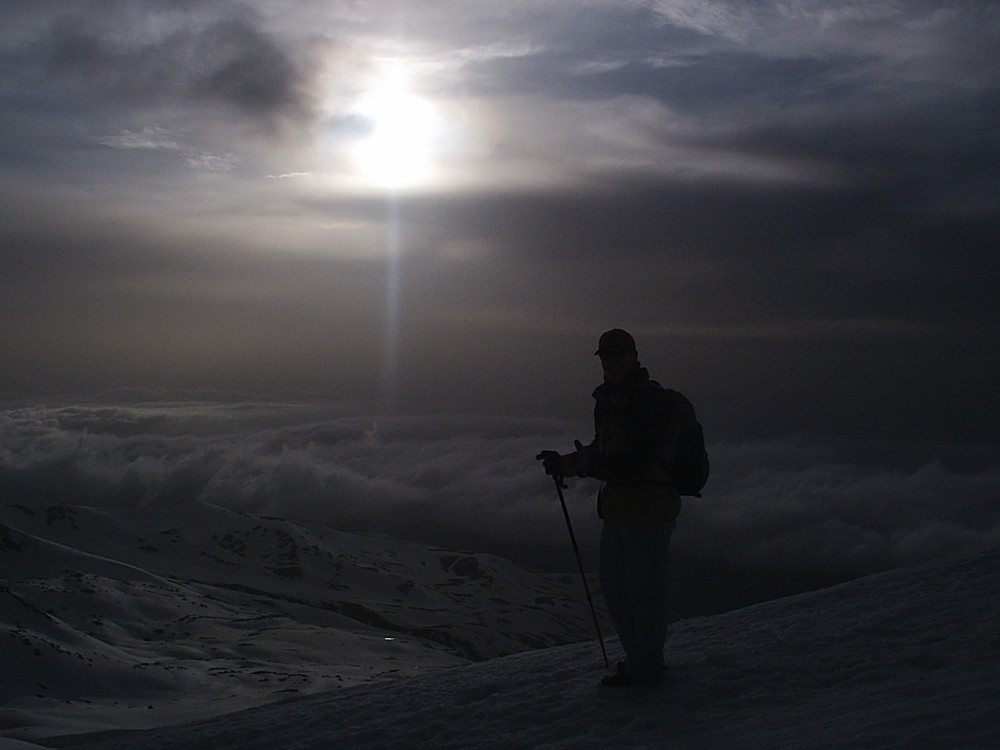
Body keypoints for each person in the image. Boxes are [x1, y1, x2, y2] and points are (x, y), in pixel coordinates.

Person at [537, 329, 680, 687]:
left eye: (619, 355)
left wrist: (577, 465)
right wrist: (569, 462)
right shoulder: (609, 400)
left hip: (649, 507)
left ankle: (646, 668)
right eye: (607, 356)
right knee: (617, 587)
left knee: (643, 590)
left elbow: (634, 463)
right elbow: (606, 450)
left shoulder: (650, 401)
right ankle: (639, 661)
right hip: (618, 507)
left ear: (634, 356)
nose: (613, 362)